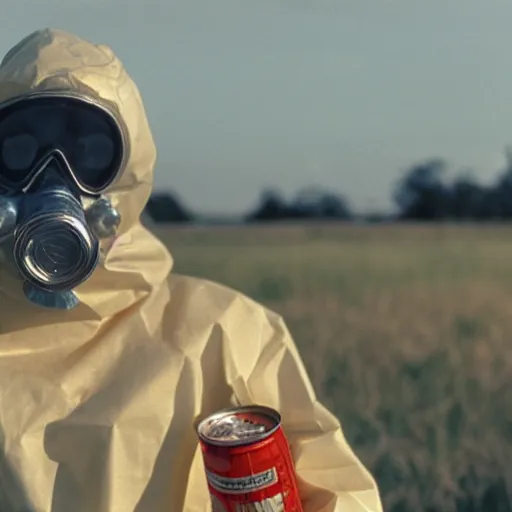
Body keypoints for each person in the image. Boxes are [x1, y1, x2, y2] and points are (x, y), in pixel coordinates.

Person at [0, 28, 382, 512]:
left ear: (129, 172)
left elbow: (341, 495)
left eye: (89, 153)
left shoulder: (224, 334)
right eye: (19, 151)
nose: (54, 178)